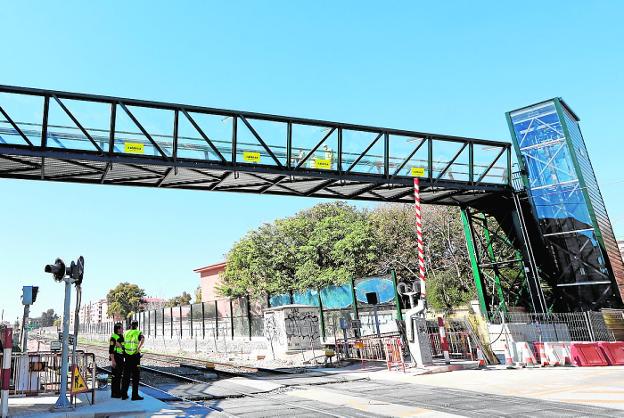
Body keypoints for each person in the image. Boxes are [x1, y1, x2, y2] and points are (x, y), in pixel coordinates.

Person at [122, 320, 144, 400]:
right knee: (136, 376)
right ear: (137, 325)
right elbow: (142, 339)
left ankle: (124, 394)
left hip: (127, 356)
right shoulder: (138, 332)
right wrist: (138, 348)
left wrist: (124, 351)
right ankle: (134, 395)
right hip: (135, 357)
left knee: (126, 376)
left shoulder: (126, 333)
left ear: (130, 325)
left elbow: (121, 343)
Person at [109, 322, 125, 398]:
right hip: (115, 357)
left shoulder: (121, 336)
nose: (122, 329)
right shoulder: (114, 337)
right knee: (115, 376)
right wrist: (113, 361)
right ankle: (114, 393)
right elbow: (111, 350)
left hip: (121, 357)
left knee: (119, 376)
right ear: (118, 329)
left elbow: (123, 347)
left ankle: (119, 391)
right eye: (121, 328)